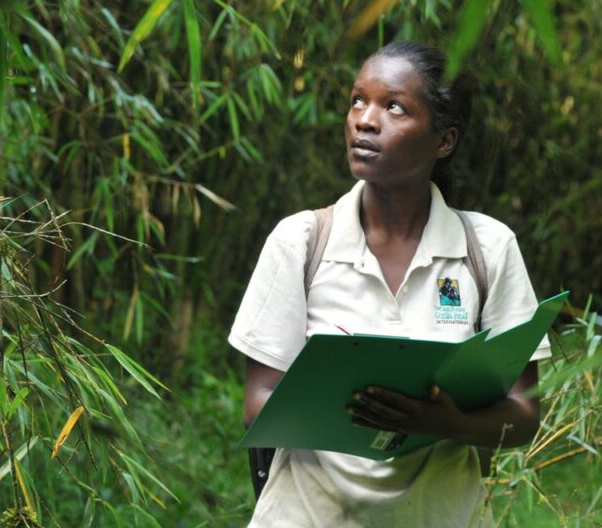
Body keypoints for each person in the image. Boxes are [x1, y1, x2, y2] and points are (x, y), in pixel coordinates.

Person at [229, 41, 550, 527]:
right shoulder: (301, 241)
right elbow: (259, 402)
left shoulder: (488, 248)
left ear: (444, 141)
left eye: (393, 106)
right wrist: (365, 410)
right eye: (358, 100)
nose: (364, 119)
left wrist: (447, 424)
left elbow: (523, 413)